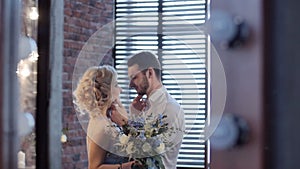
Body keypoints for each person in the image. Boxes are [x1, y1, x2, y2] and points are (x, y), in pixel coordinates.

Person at [111, 51, 185, 169]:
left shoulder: (170, 108)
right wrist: (135, 115)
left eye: (134, 77)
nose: (130, 85)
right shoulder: (147, 106)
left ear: (150, 72)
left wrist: (123, 122)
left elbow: (151, 156)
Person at [73, 65, 135, 169]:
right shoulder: (101, 126)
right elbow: (94, 167)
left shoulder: (110, 118)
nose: (121, 90)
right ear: (106, 91)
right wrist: (128, 166)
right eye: (116, 85)